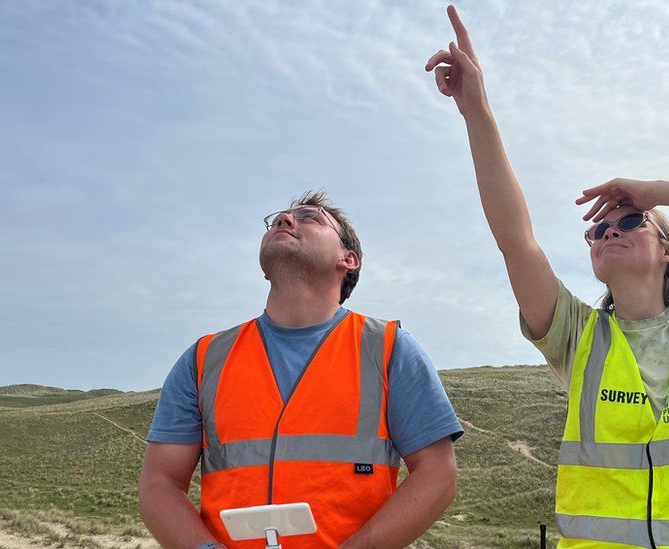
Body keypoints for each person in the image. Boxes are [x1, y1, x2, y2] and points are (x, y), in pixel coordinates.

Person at [427, 6, 669, 548]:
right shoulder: (579, 338)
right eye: (596, 230)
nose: (608, 231)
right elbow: (516, 240)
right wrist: (476, 110)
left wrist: (656, 191)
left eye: (629, 221)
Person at [138, 191, 463, 549]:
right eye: (277, 218)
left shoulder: (389, 349)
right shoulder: (204, 359)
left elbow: (438, 475)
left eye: (310, 217)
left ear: (348, 259)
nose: (284, 220)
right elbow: (160, 483)